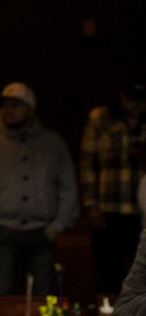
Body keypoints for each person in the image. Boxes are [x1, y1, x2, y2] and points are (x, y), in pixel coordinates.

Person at [0, 82, 79, 299]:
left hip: (42, 231)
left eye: (17, 105)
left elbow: (68, 186)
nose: (9, 110)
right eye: (6, 104)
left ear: (31, 110)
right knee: (1, 292)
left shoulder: (52, 143)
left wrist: (59, 224)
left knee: (40, 296)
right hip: (2, 230)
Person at [83, 84, 146, 298]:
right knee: (108, 274)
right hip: (110, 210)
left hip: (143, 215)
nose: (138, 105)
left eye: (143, 99)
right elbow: (88, 164)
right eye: (133, 98)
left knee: (140, 277)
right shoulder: (101, 121)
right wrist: (91, 204)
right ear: (121, 95)